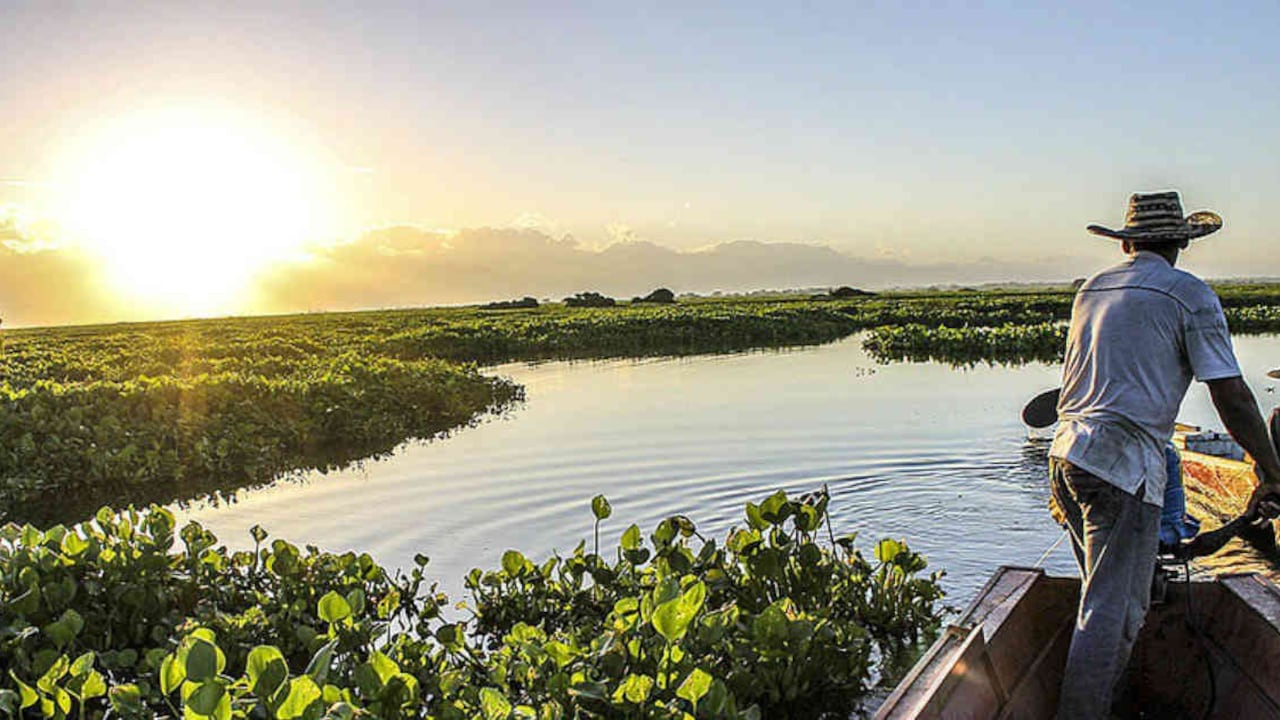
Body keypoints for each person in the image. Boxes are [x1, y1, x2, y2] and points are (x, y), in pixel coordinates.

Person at [1048, 190, 1280, 719]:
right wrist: (1271, 470)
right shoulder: (1189, 293)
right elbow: (1232, 395)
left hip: (1065, 458)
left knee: (1103, 599)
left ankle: (1107, 703)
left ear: (1126, 244)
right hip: (1121, 467)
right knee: (1112, 615)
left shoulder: (1092, 288)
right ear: (1181, 244)